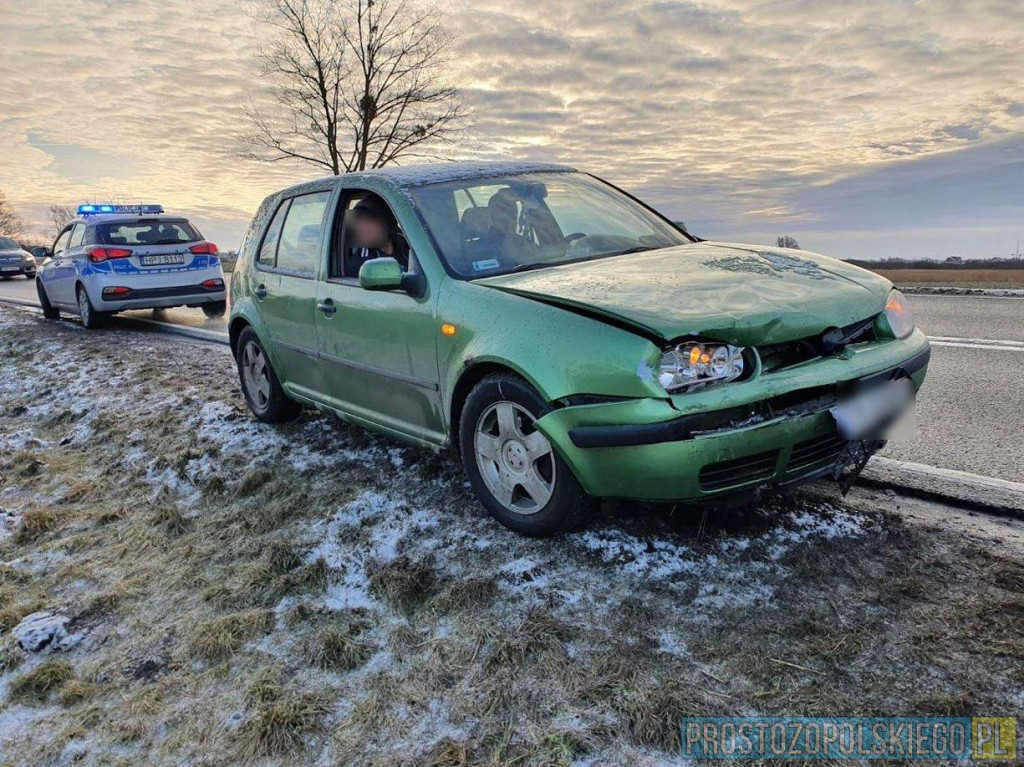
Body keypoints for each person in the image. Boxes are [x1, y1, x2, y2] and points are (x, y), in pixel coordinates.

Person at [345, 194, 409, 276]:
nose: (363, 229)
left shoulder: (408, 245)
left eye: (369, 222)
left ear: (387, 223)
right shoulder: (359, 264)